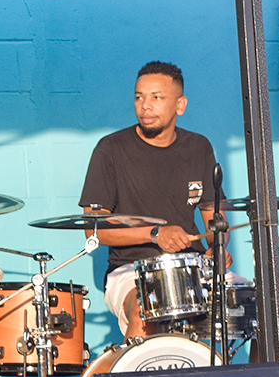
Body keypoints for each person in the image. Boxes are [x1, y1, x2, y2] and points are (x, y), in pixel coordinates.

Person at [78, 61, 225, 338]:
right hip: (130, 268)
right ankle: (136, 368)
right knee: (144, 309)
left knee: (253, 304)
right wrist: (155, 234)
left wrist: (216, 246)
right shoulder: (111, 149)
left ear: (180, 105)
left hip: (190, 265)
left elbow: (212, 214)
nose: (145, 106)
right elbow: (94, 230)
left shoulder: (199, 147)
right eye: (139, 97)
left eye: (156, 97)